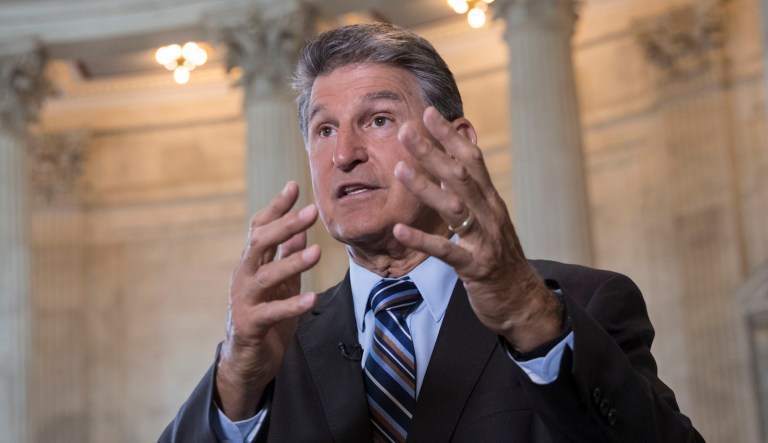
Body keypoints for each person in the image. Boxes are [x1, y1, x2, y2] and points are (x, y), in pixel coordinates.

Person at [160, 22, 704, 443]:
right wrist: (235, 383)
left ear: (453, 142)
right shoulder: (273, 347)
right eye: (324, 130)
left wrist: (529, 317)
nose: (344, 154)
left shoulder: (580, 306)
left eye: (376, 119)